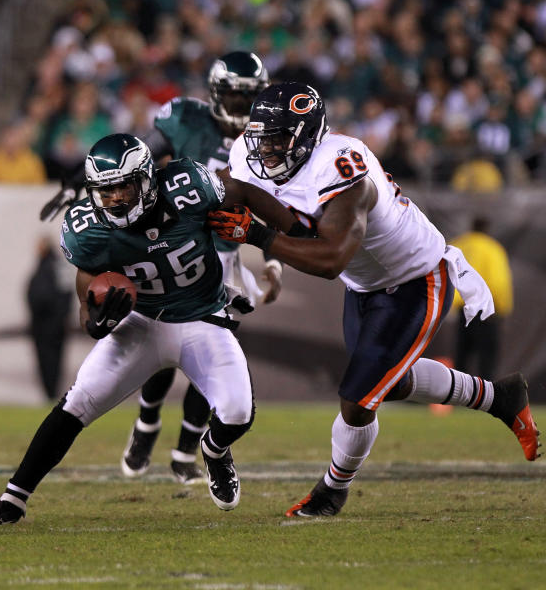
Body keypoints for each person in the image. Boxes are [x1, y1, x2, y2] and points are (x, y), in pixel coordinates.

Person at [207, 82, 541, 518]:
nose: (265, 148)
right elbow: (258, 206)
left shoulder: (344, 169)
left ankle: (331, 492)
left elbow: (329, 258)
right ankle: (501, 397)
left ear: (308, 136)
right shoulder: (250, 161)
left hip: (415, 278)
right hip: (364, 285)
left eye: (278, 137)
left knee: (359, 397)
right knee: (392, 381)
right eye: (261, 136)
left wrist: (256, 234)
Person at [0, 133, 305, 527]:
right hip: (141, 323)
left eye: (122, 187)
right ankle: (13, 499)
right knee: (77, 403)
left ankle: (213, 450)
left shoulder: (191, 186)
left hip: (202, 317)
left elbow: (243, 193)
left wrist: (283, 231)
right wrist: (97, 321)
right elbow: (86, 299)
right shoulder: (87, 228)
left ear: (147, 179)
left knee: (237, 413)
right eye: (104, 190)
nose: (113, 198)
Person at [41, 52, 282, 484]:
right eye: (233, 94)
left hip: (224, 251)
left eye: (251, 97)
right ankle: (147, 423)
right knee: (163, 337)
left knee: (209, 352)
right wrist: (83, 178)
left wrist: (273, 257)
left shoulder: (269, 141)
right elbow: (139, 158)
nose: (243, 106)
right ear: (215, 93)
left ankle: (187, 451)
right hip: (172, 239)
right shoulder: (187, 119)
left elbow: (271, 205)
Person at [450, 216, 513, 378]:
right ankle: (486, 395)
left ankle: (457, 393)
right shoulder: (493, 248)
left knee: (462, 355)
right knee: (487, 358)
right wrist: (503, 309)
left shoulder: (459, 245)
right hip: (486, 310)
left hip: (463, 308)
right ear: (487, 229)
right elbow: (499, 282)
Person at [26, 236, 72, 401]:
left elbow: (66, 295)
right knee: (47, 361)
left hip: (52, 324)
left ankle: (51, 393)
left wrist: (60, 317)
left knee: (52, 360)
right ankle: (49, 394)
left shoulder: (58, 267)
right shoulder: (46, 266)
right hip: (43, 324)